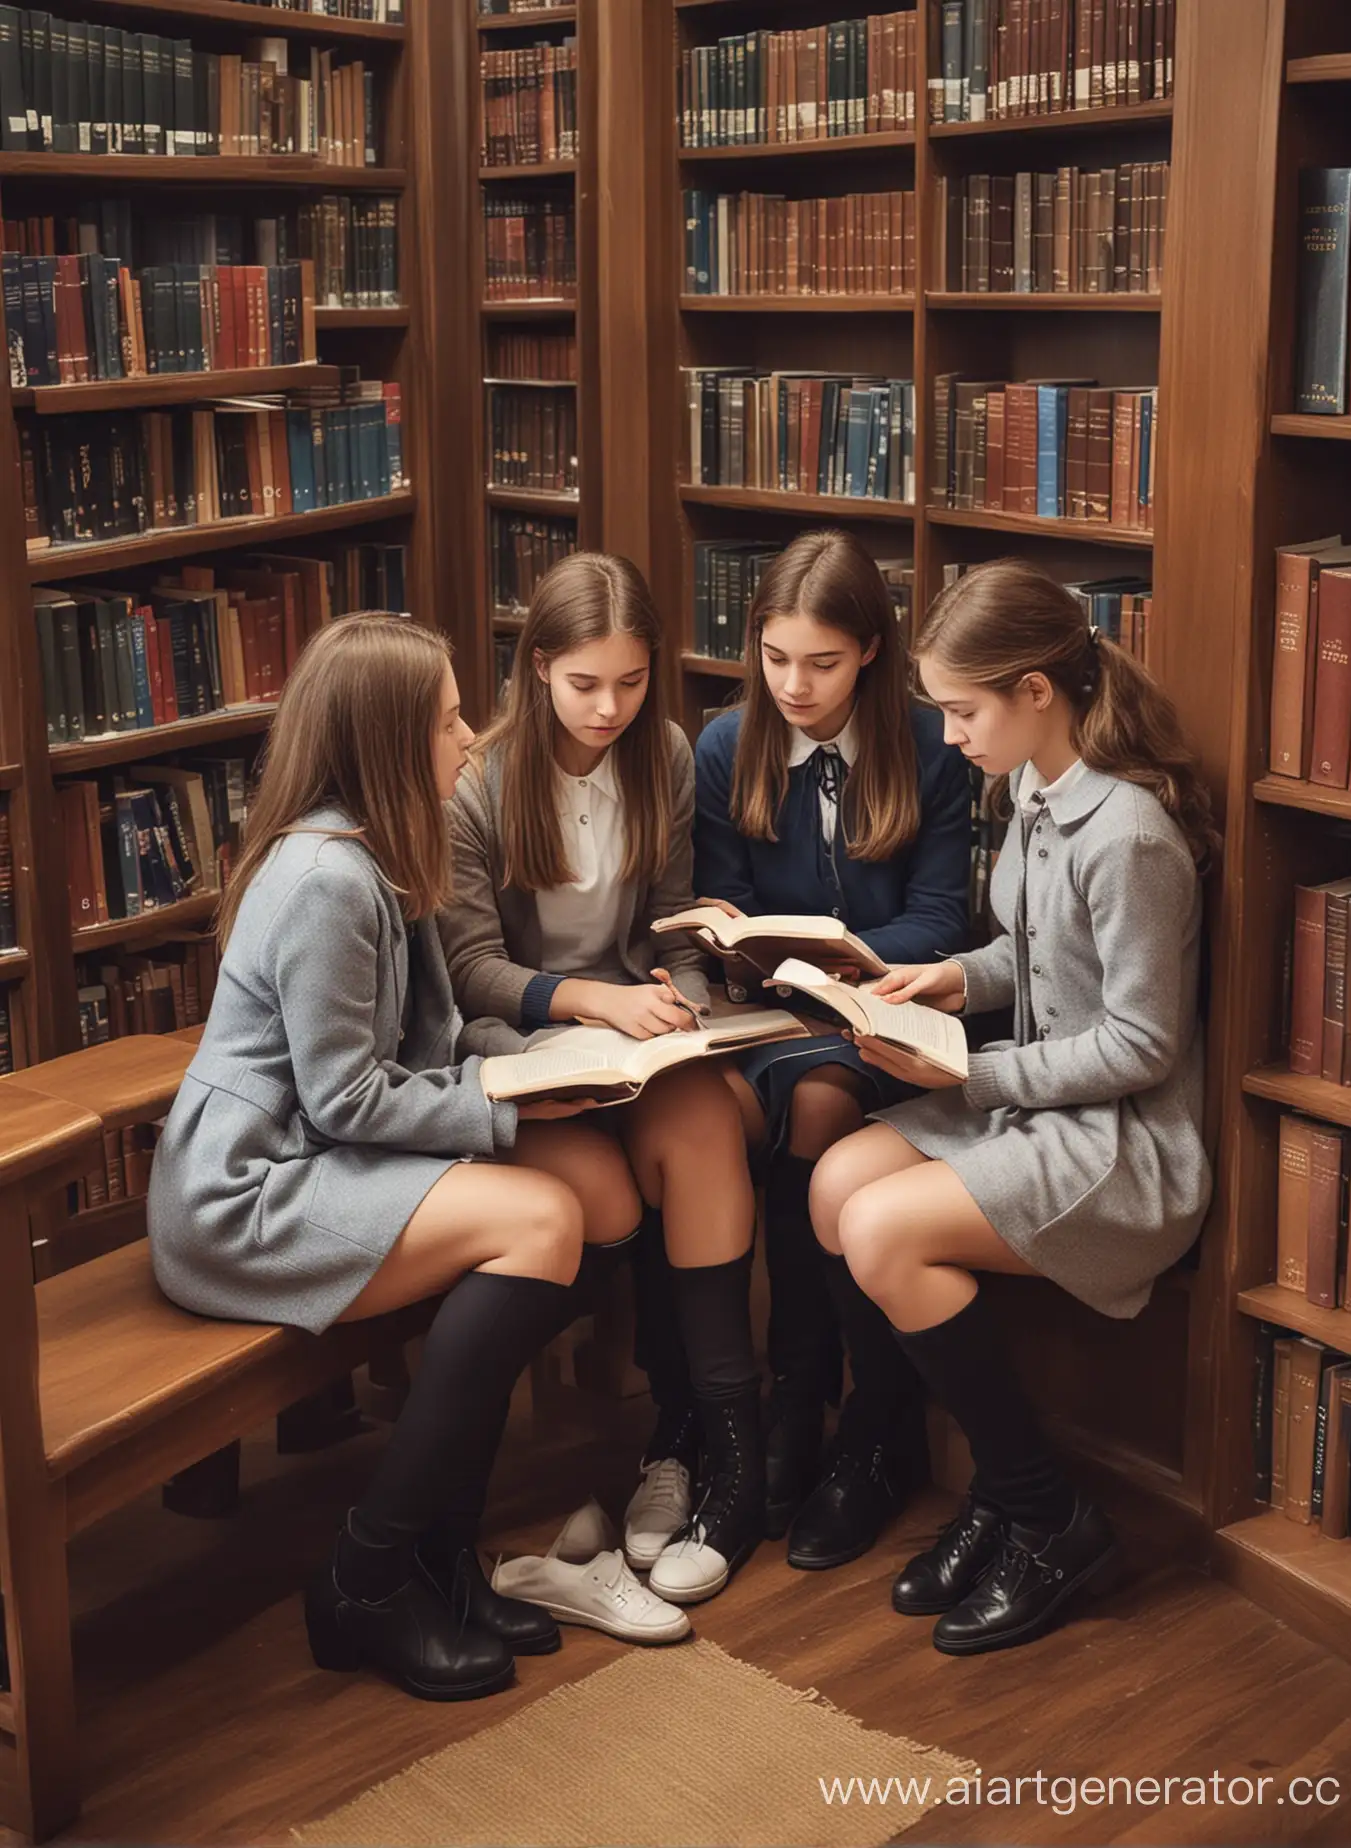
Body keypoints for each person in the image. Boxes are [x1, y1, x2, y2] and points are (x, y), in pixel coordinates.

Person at [148, 614, 642, 1701]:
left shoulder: (385, 843)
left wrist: (553, 1065)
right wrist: (506, 1111)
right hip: (250, 1192)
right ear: (384, 740)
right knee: (540, 1221)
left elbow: (435, 1037)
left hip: (320, 1157)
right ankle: (367, 1576)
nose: (472, 737)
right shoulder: (327, 877)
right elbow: (342, 1096)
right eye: (450, 720)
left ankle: (438, 1560)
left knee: (591, 1194)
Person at [809, 557, 1216, 1655]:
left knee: (882, 1229)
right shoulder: (1035, 787)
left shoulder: (1128, 836)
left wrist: (971, 1077)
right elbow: (1031, 955)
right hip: (1043, 1107)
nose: (949, 737)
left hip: (1122, 1145)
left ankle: (1042, 1514)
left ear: (1037, 691)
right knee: (835, 1180)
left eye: (962, 710)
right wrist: (951, 981)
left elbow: (1140, 1042)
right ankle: (984, 1481)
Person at [439, 553, 764, 1605]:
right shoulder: (480, 782)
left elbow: (666, 920)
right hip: (527, 1044)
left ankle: (718, 1456)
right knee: (631, 1187)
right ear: (538, 669)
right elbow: (470, 966)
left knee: (708, 1123)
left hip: (635, 1029)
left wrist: (691, 1010)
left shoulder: (662, 753)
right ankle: (674, 1441)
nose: (610, 708)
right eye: (585, 684)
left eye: (630, 682)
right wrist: (595, 1005)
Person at [693, 529, 973, 1566]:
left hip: (894, 1004)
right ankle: (806, 1407)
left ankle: (822, 1409)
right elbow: (727, 915)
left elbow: (942, 917)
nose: (795, 686)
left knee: (821, 1102)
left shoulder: (931, 744)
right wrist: (748, 953)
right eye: (774, 659)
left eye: (820, 662)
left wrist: (846, 966)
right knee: (805, 1093)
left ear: (869, 651)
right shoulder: (727, 747)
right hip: (770, 1019)